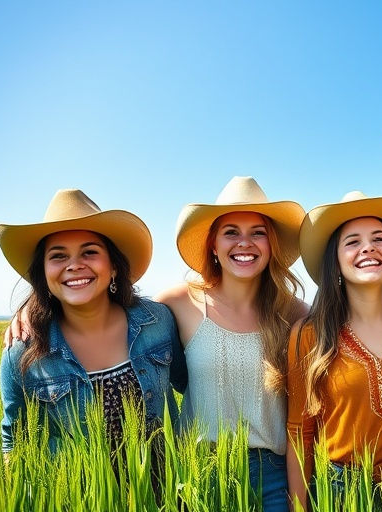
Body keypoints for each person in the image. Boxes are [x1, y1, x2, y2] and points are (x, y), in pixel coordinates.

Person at [155, 176, 308, 512]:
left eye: (258, 232)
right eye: (231, 232)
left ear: (272, 245)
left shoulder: (295, 314)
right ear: (213, 244)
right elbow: (105, 318)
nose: (245, 243)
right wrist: (34, 313)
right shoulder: (179, 304)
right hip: (198, 473)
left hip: (271, 475)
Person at [0, 189, 187, 457]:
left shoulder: (158, 322)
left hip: (169, 492)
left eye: (89, 252)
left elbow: (191, 384)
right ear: (43, 272)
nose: (74, 265)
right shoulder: (21, 352)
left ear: (113, 267)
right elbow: (14, 441)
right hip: (79, 496)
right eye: (58, 256)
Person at [286, 192, 382, 510]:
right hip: (338, 489)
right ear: (336, 261)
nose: (367, 247)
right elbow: (299, 432)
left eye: (378, 238)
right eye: (352, 241)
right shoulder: (308, 334)